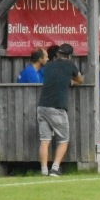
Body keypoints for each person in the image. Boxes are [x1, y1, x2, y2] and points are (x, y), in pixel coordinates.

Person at [37, 43, 84, 177]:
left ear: (58, 54)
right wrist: (72, 82)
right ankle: (55, 168)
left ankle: (44, 170)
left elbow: (55, 78)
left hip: (42, 106)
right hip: (57, 107)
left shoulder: (49, 65)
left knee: (45, 140)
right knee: (63, 139)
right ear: (70, 56)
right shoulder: (70, 65)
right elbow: (80, 79)